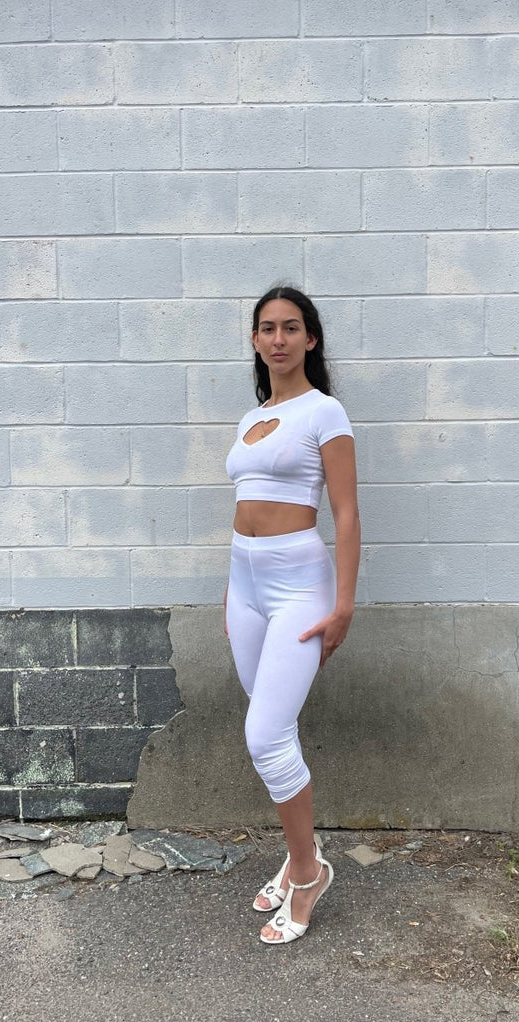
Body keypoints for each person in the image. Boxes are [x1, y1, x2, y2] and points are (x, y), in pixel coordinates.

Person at [224, 285, 360, 945]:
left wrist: (343, 606)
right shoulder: (252, 419)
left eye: (291, 327)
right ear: (255, 340)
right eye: (267, 328)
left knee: (265, 737)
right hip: (243, 583)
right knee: (272, 728)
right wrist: (232, 600)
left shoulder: (325, 413)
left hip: (298, 584)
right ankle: (297, 852)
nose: (278, 338)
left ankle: (308, 874)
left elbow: (346, 515)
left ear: (310, 339)